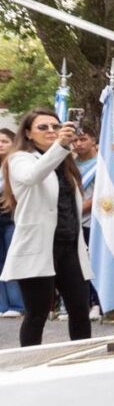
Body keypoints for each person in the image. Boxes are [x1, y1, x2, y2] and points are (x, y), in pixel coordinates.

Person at [0, 109, 92, 347]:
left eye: (55, 126)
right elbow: (33, 176)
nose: (51, 131)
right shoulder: (20, 158)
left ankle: (82, 359)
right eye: (43, 127)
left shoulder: (65, 160)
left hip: (70, 245)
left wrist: (62, 149)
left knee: (80, 309)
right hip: (38, 246)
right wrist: (61, 146)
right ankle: (30, 362)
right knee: (37, 313)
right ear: (28, 133)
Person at [72, 126, 105, 318]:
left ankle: (97, 303)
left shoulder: (101, 164)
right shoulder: (69, 163)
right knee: (76, 265)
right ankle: (80, 303)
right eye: (75, 140)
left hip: (93, 221)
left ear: (93, 140)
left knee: (93, 263)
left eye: (83, 139)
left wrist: (78, 209)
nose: (78, 144)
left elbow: (101, 194)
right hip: (72, 222)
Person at [0, 128, 25, 318]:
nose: (0, 145)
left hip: (12, 217)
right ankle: (3, 305)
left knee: (13, 259)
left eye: (4, 141)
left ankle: (17, 305)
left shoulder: (18, 164)